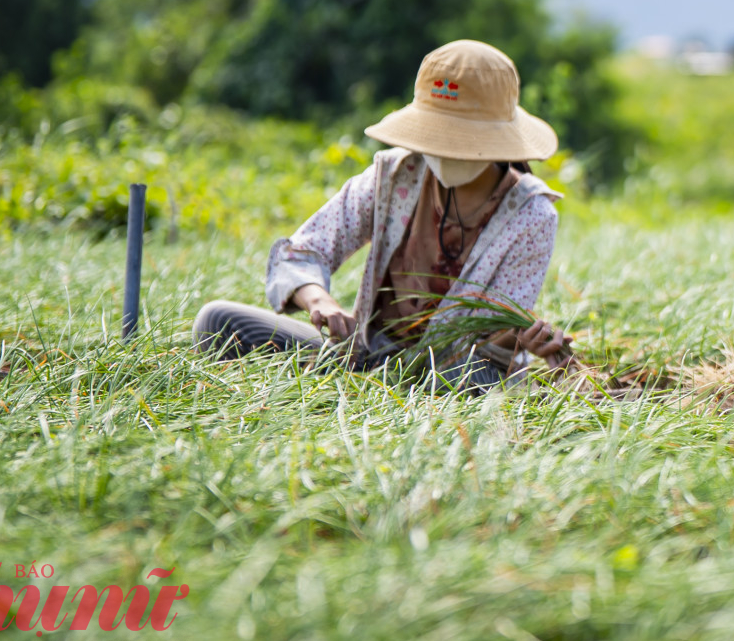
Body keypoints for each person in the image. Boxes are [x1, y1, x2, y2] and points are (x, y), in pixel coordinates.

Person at [194, 39, 575, 388]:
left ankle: (385, 396)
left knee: (463, 378)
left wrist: (519, 340)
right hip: (366, 356)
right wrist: (318, 301)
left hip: (451, 373)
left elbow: (491, 340)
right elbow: (306, 250)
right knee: (217, 321)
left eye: (461, 141)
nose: (447, 152)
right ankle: (364, 385)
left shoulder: (532, 215)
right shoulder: (394, 175)